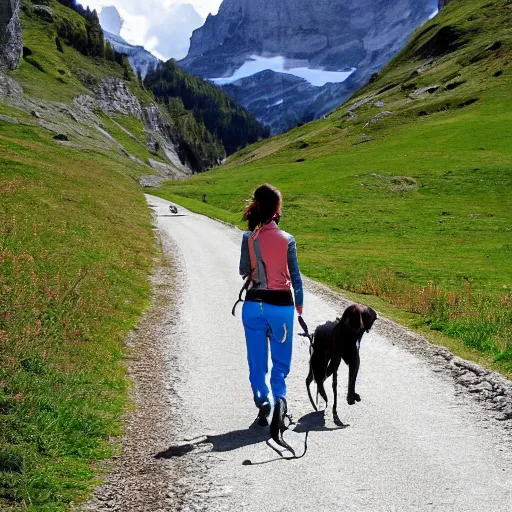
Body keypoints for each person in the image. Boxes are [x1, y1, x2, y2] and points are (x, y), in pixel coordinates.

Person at [239, 184, 303, 431]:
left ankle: (262, 401)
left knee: (256, 361)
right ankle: (280, 401)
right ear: (277, 209)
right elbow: (295, 278)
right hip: (281, 307)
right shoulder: (287, 239)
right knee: (280, 362)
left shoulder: (248, 238)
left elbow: (243, 271)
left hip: (254, 305)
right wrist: (299, 306)